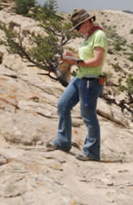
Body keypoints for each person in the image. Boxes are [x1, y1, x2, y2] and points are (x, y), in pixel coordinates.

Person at [46, 9, 108, 162]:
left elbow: (97, 61)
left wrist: (75, 61)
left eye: (78, 28)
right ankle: (62, 142)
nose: (78, 31)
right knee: (63, 105)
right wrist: (72, 57)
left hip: (90, 81)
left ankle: (91, 152)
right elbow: (85, 58)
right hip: (80, 77)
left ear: (86, 23)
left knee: (88, 115)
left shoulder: (99, 36)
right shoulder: (88, 36)